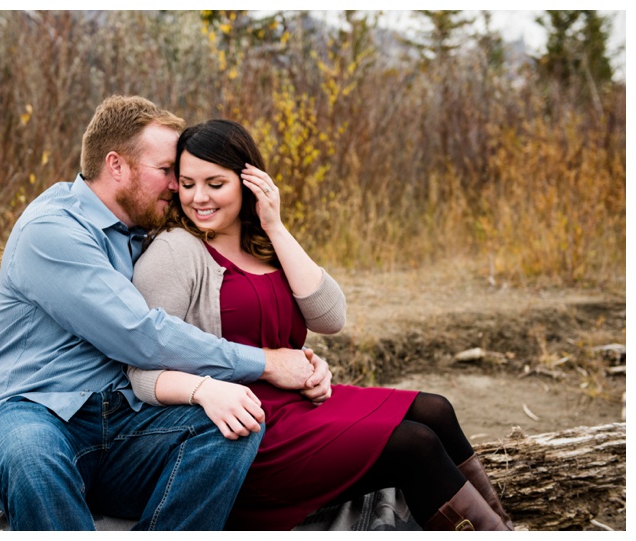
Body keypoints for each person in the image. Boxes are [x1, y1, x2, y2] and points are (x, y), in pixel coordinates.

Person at [0, 96, 332, 531]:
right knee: (32, 454)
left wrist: (297, 361)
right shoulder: (52, 230)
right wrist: (266, 363)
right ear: (117, 166)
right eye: (167, 172)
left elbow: (214, 303)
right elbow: (142, 334)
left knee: (233, 424)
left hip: (123, 422)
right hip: (31, 411)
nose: (178, 186)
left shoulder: (148, 228)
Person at [129, 119, 515, 531]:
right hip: (245, 431)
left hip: (297, 406)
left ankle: (505, 529)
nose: (198, 198)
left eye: (215, 184)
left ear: (249, 182)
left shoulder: (262, 243)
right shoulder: (175, 251)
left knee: (435, 410)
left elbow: (331, 318)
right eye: (187, 184)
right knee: (413, 446)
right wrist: (210, 390)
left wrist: (274, 226)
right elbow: (142, 371)